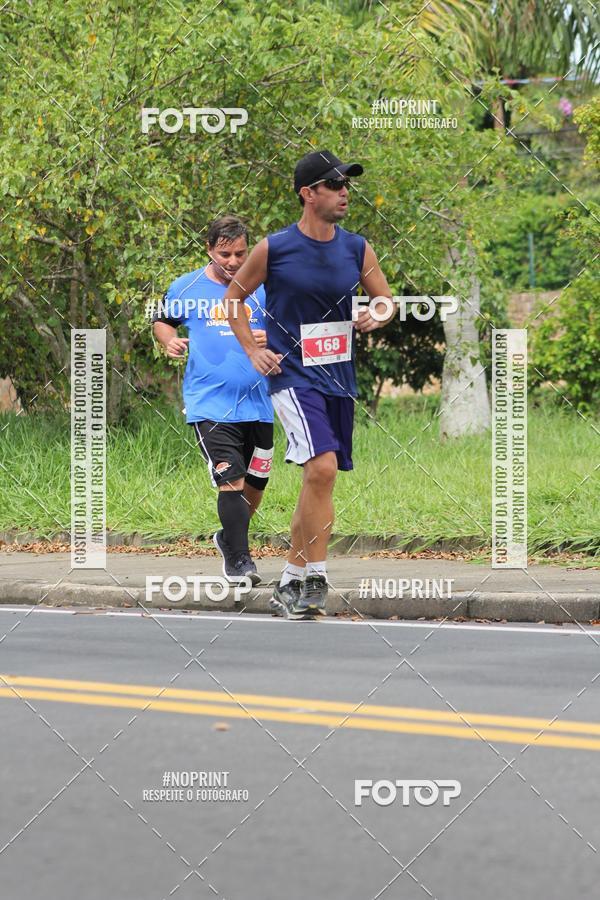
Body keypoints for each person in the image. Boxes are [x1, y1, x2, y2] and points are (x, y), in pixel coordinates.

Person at [223, 150, 394, 618]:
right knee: (321, 469)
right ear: (307, 193)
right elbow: (233, 299)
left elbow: (385, 300)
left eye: (347, 186)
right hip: (292, 377)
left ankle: (291, 581)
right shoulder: (274, 248)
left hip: (339, 376)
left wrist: (375, 315)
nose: (344, 193)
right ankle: (316, 576)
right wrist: (253, 351)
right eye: (335, 185)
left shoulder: (357, 248)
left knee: (319, 482)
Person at [152, 215, 273, 585]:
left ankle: (229, 536)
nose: (234, 261)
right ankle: (239, 561)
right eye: (225, 254)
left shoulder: (263, 287)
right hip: (209, 403)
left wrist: (272, 342)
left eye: (240, 253)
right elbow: (162, 320)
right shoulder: (185, 286)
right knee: (229, 478)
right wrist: (167, 339)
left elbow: (286, 330)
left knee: (255, 485)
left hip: (258, 402)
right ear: (208, 249)